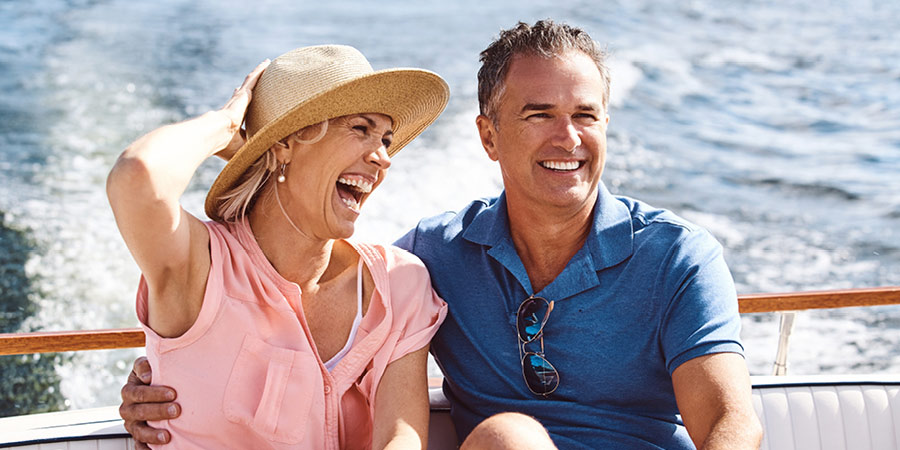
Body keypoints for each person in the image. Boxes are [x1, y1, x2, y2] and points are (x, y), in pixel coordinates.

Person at [120, 21, 763, 449]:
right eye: (539, 114)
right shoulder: (430, 259)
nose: (568, 138)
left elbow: (730, 423)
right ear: (488, 136)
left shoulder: (678, 256)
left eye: (586, 115)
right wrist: (173, 368)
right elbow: (150, 190)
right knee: (510, 439)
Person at [107, 45, 449, 449]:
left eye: (386, 140)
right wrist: (225, 125)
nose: (383, 159)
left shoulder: (399, 283)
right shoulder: (199, 267)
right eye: (360, 129)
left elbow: (400, 440)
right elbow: (137, 175)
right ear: (285, 143)